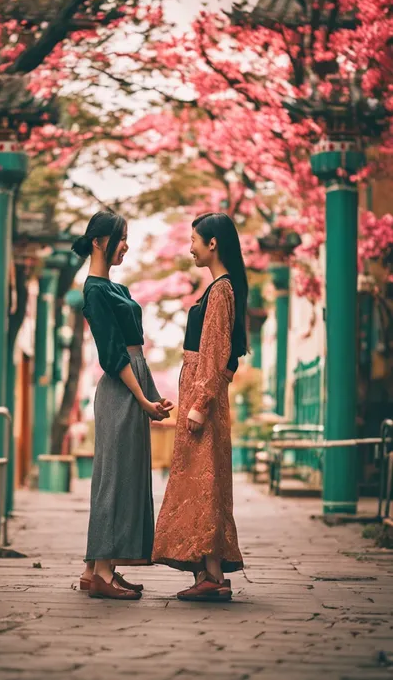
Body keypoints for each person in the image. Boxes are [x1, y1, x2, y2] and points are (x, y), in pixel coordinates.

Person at [72, 211, 173, 601]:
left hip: (132, 381)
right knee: (115, 477)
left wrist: (147, 394)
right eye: (121, 238)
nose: (126, 246)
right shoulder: (95, 290)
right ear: (99, 241)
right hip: (122, 386)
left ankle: (94, 568)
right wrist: (144, 399)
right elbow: (112, 355)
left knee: (119, 474)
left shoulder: (113, 288)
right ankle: (102, 572)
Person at [152, 212, 247, 602]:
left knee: (204, 484)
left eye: (194, 239)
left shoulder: (221, 290)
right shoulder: (220, 289)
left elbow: (216, 352)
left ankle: (211, 575)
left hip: (201, 399)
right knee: (201, 482)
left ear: (213, 243)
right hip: (200, 393)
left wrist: (200, 403)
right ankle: (208, 573)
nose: (189, 247)